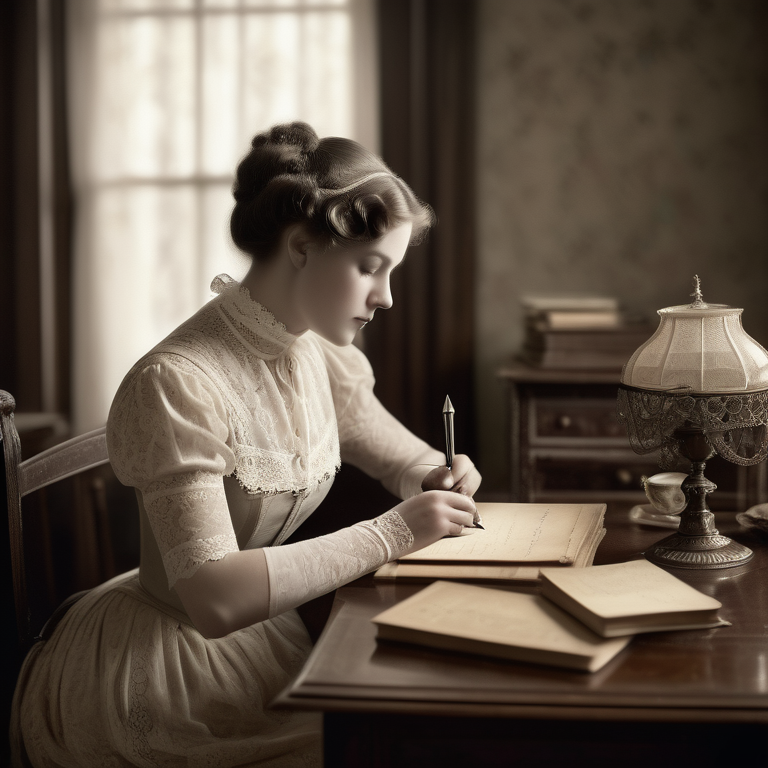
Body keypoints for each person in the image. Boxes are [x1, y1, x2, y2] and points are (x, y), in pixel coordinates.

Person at [11, 121, 481, 767]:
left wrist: (435, 472)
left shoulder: (319, 351)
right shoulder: (176, 384)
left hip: (260, 644)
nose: (387, 297)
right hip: (160, 670)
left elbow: (397, 454)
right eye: (371, 267)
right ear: (300, 247)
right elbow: (215, 596)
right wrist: (392, 534)